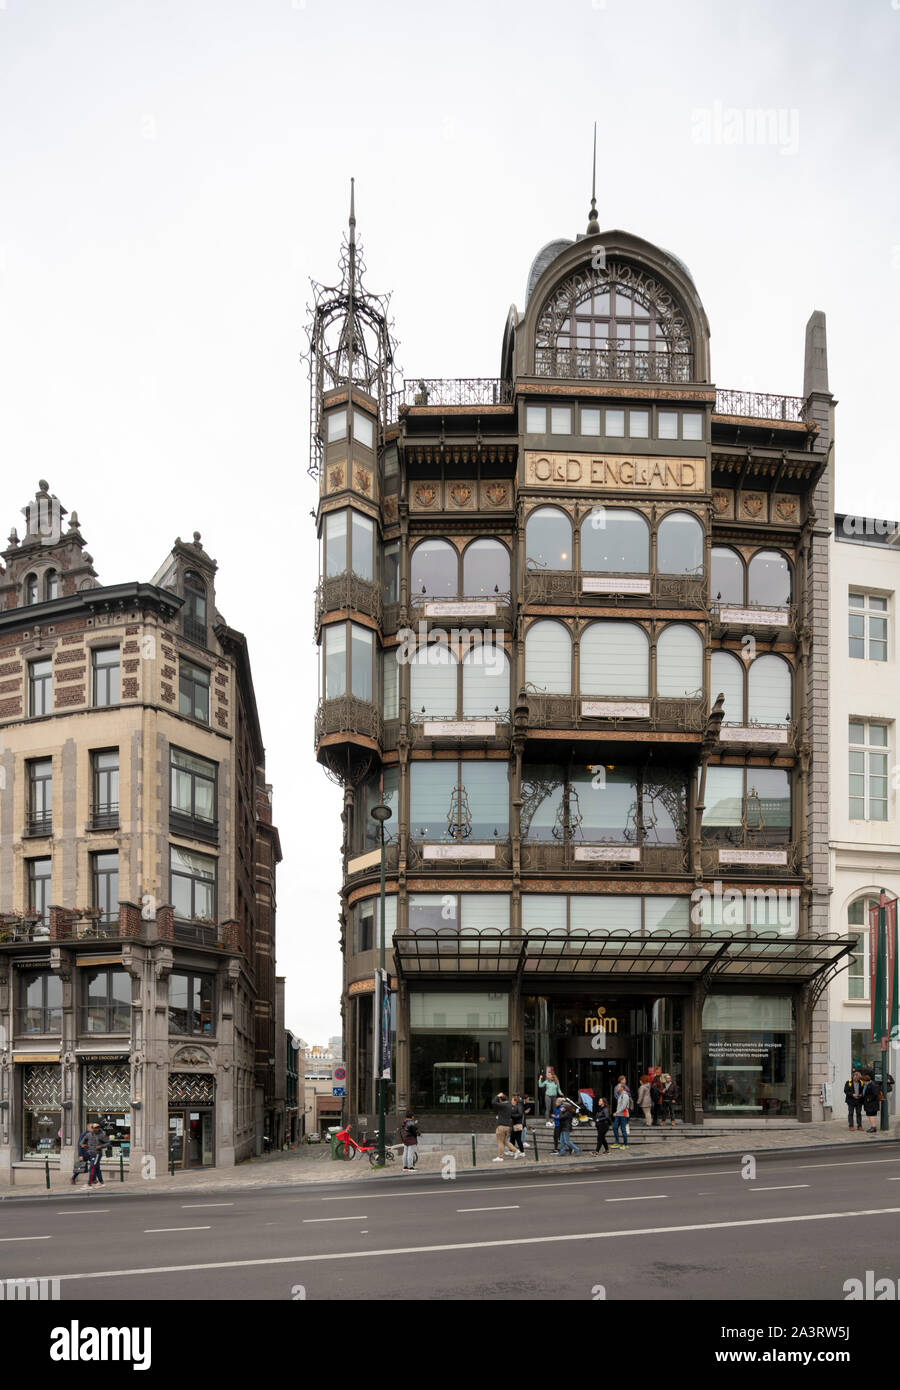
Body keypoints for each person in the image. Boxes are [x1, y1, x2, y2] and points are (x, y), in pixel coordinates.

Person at [491, 1092, 521, 1161]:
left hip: (501, 1126)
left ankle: (500, 1157)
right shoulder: (509, 1105)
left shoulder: (502, 1105)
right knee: (505, 1141)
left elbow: (493, 1102)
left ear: (501, 1100)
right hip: (507, 1126)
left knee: (500, 1142)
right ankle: (516, 1151)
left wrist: (497, 1095)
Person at [612, 1083, 630, 1148]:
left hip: (623, 1115)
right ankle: (617, 1142)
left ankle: (625, 1144)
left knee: (623, 1129)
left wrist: (617, 1112)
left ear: (622, 1088)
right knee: (614, 1127)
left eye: (618, 1087)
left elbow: (624, 1106)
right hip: (619, 1115)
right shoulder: (620, 1095)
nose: (617, 1088)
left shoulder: (625, 1095)